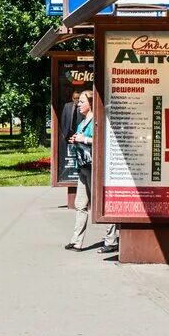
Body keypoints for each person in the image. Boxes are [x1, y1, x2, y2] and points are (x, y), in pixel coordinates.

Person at [66, 91, 96, 251]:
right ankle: (76, 241)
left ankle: (110, 240)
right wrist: (75, 139)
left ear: (90, 104)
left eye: (82, 102)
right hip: (82, 166)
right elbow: (80, 137)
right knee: (80, 204)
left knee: (98, 205)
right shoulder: (83, 122)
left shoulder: (96, 121)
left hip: (92, 167)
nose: (78, 104)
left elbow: (99, 139)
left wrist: (83, 139)